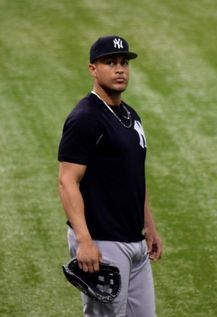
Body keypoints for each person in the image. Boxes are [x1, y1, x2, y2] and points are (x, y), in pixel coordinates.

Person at [58, 35, 162, 317]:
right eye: (110, 62)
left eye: (124, 63)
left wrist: (149, 226)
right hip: (102, 242)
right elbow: (67, 181)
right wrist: (84, 240)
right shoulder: (85, 118)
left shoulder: (131, 116)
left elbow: (133, 176)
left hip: (134, 240)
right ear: (93, 69)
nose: (120, 69)